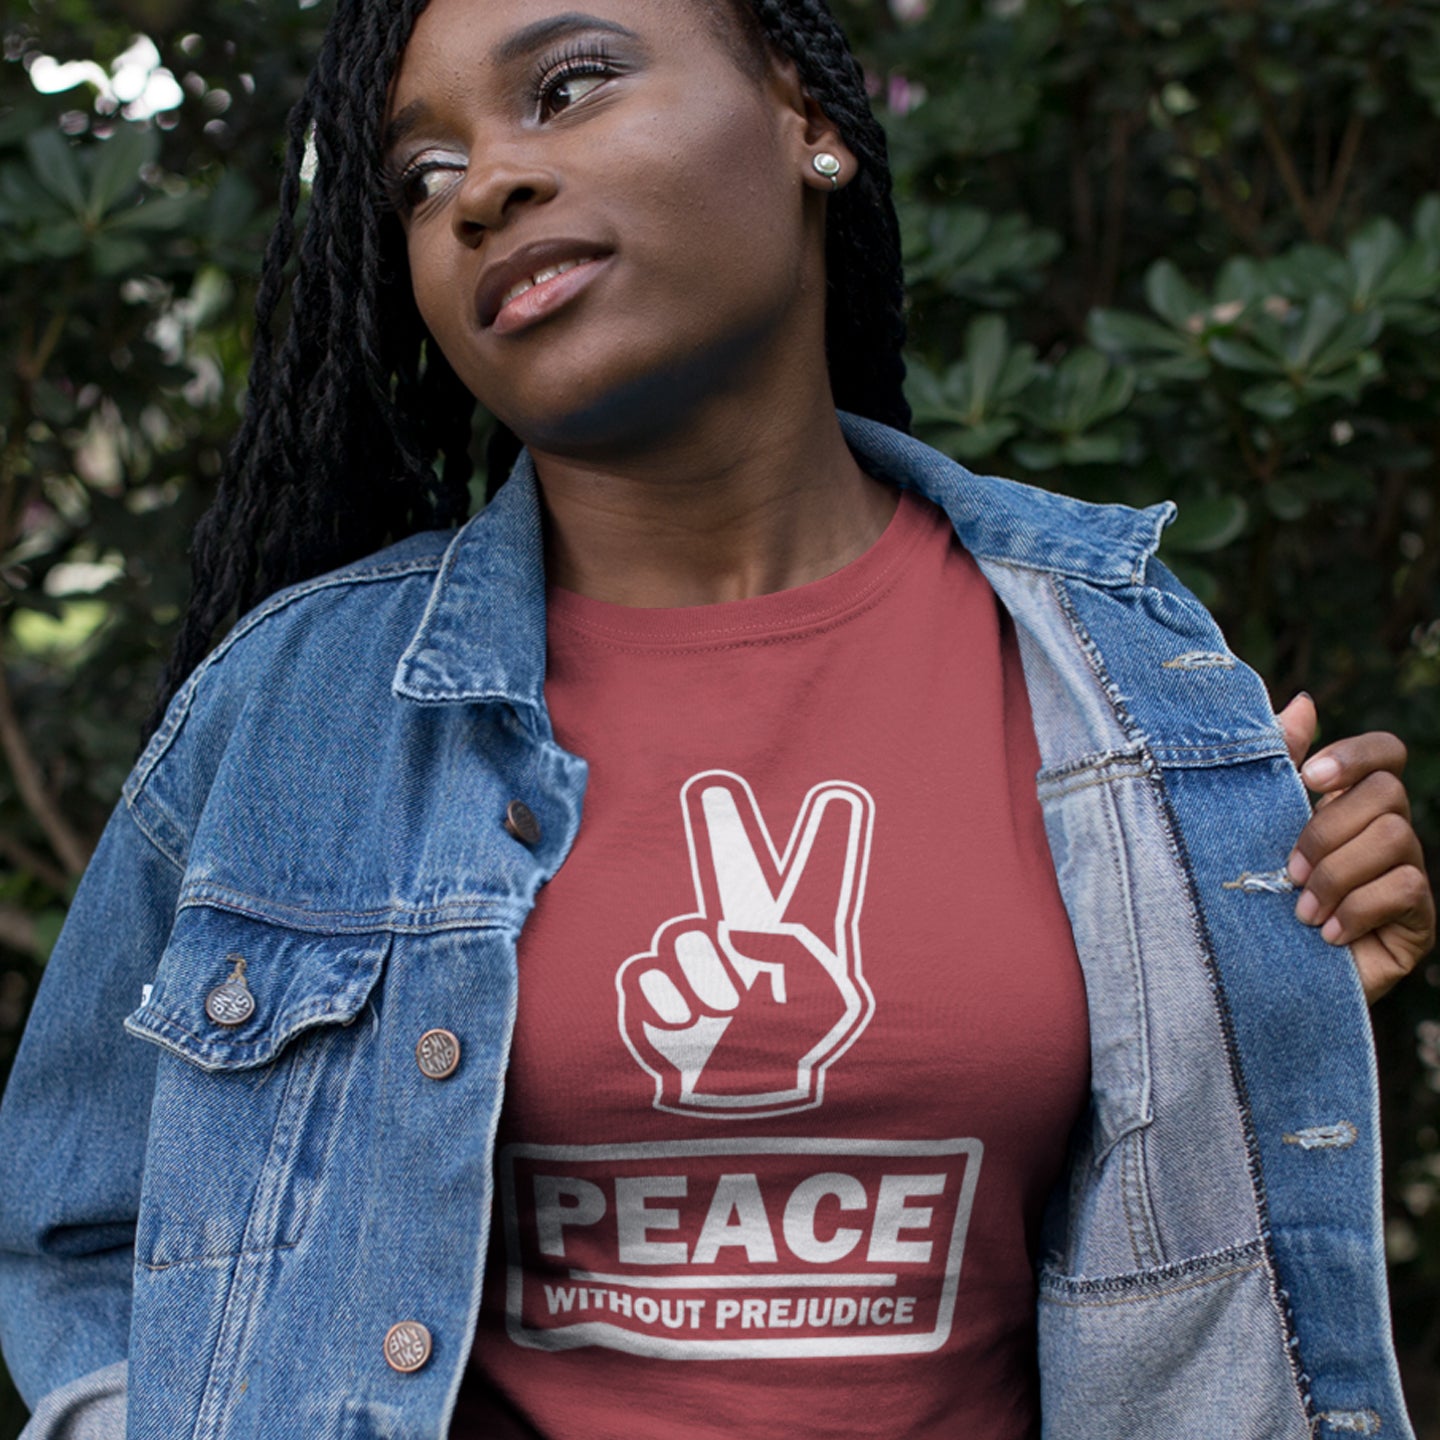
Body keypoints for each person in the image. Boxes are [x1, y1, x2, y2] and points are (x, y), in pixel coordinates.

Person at [0, 0, 1433, 1436]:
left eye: (569, 85)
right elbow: (69, 1236)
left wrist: (1273, 962)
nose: (482, 186)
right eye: (421, 178)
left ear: (807, 120)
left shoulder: (1106, 664)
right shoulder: (293, 715)